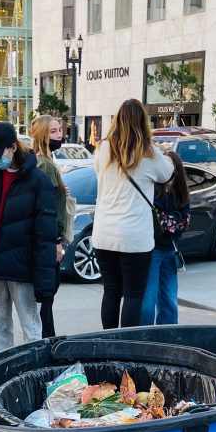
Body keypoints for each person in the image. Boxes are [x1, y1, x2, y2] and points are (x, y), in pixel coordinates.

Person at [0, 122, 57, 352]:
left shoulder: (38, 181)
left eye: (0, 153)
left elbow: (45, 235)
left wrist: (45, 281)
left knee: (31, 327)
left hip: (21, 267)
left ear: (12, 148)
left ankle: (34, 375)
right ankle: (1, 373)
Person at [91, 98, 174, 329]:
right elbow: (167, 174)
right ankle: (125, 348)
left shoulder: (103, 148)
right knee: (133, 295)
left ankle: (108, 343)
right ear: (143, 123)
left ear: (117, 120)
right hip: (134, 237)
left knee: (110, 292)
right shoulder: (149, 153)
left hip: (104, 233)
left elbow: (97, 171)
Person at [30, 115, 69, 338]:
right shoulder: (44, 163)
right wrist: (55, 242)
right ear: (43, 135)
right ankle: (48, 340)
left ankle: (47, 338)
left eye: (59, 130)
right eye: (53, 131)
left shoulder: (41, 161)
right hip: (49, 238)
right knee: (47, 295)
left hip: (47, 237)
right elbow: (47, 208)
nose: (59, 135)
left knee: (46, 297)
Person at [141, 151, 191, 326]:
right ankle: (144, 338)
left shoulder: (181, 194)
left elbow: (184, 223)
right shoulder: (153, 191)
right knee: (148, 301)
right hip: (152, 250)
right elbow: (160, 222)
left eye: (170, 166)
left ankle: (168, 337)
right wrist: (174, 220)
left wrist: (169, 221)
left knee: (169, 300)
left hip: (171, 250)